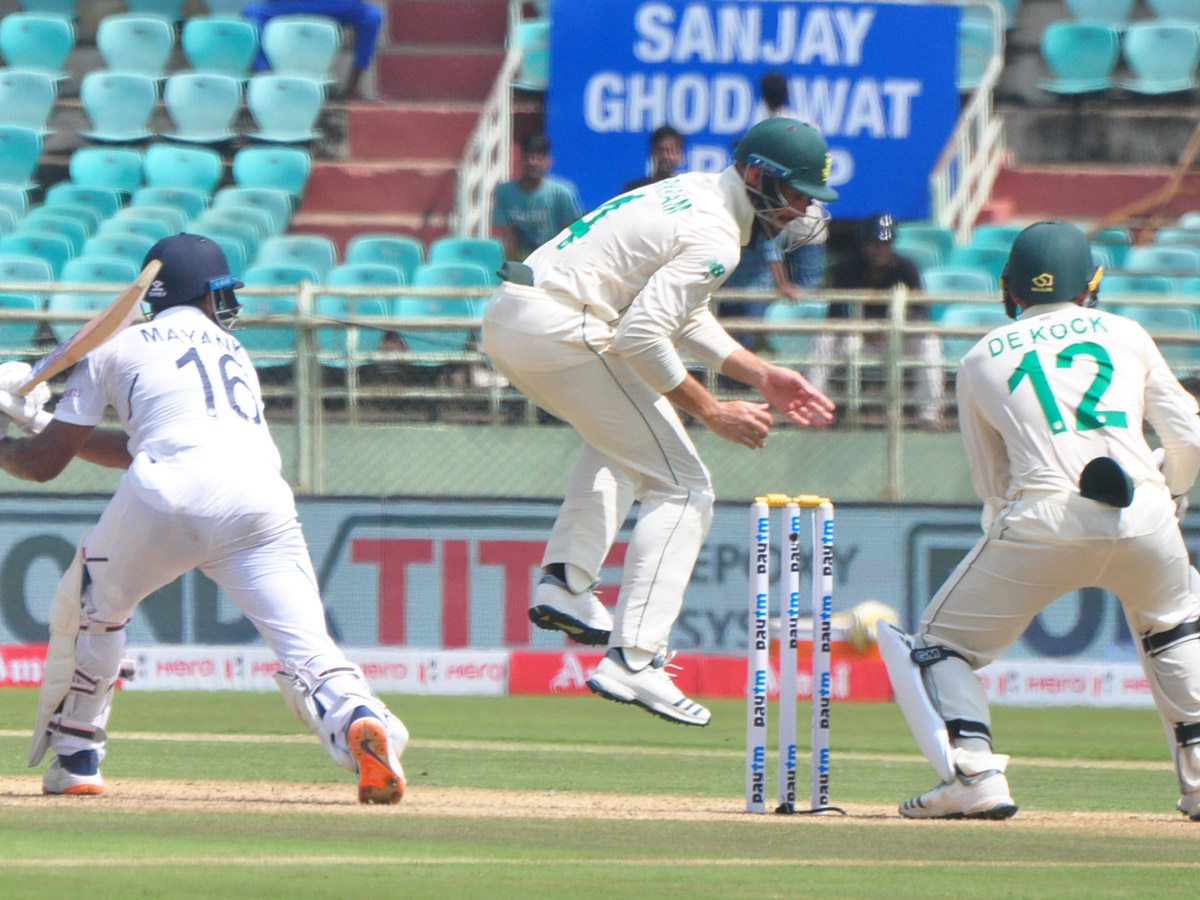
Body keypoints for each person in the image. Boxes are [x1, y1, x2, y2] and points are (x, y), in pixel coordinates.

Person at [1, 234, 407, 804]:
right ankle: (359, 717)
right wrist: (38, 419)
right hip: (261, 499)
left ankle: (77, 754)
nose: (227, 306)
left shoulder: (115, 346)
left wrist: (11, 434)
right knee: (310, 649)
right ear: (202, 294)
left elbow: (45, 467)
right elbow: (142, 440)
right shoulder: (232, 351)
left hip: (168, 490)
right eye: (220, 293)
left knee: (93, 605)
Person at [482, 118, 837, 727]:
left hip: (517, 316)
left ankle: (565, 583)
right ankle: (636, 658)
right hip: (563, 325)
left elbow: (679, 317)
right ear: (758, 176)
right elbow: (643, 333)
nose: (805, 210)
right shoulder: (718, 235)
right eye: (799, 194)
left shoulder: (693, 191)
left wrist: (760, 375)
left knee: (626, 441)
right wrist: (713, 410)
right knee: (683, 485)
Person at [879, 220, 1200, 820]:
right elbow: (1189, 433)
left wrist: (1014, 533)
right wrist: (1172, 493)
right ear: (1091, 284)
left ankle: (974, 772)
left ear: (1010, 287)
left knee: (940, 644)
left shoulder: (978, 359)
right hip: (1144, 508)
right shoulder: (1126, 333)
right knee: (1176, 626)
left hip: (1042, 515)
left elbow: (992, 484)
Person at [810, 213, 946, 429]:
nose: (879, 249)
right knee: (825, 336)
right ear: (864, 244)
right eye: (874, 243)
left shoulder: (905, 268)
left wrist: (889, 328)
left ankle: (928, 414)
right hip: (857, 339)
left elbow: (920, 313)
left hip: (895, 339)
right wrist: (863, 328)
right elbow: (834, 314)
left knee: (928, 339)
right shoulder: (846, 268)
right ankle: (814, 411)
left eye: (884, 243)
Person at [756, 71, 827, 290]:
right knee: (804, 290)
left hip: (782, 215)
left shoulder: (762, 129)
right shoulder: (808, 125)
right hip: (797, 214)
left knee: (805, 292)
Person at [243, 1, 384, 101]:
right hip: (292, 3)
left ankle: (352, 87)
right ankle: (268, 77)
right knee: (252, 12)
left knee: (372, 17)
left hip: (334, 4)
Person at [492, 133, 584, 263]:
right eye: (528, 158)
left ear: (549, 162)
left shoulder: (563, 193)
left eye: (539, 158)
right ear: (520, 161)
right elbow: (508, 235)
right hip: (523, 259)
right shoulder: (505, 192)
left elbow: (575, 233)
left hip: (556, 260)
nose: (532, 163)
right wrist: (515, 268)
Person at [621, 125, 686, 193]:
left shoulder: (686, 190)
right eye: (662, 150)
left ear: (681, 155)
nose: (666, 157)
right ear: (652, 153)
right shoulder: (635, 190)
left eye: (672, 151)